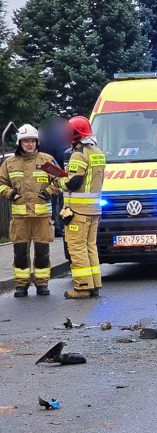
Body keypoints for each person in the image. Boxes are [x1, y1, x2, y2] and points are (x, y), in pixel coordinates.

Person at [0, 124, 62, 297]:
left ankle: (42, 284)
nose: (30, 144)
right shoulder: (9, 163)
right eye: (26, 141)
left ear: (37, 142)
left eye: (33, 141)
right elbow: (0, 183)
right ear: (20, 143)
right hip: (20, 218)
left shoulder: (46, 160)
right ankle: (21, 285)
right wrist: (10, 193)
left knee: (42, 252)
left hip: (42, 217)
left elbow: (60, 181)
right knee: (20, 253)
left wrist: (49, 192)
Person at [53, 116, 105, 299]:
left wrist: (58, 180)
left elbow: (73, 183)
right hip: (93, 210)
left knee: (77, 248)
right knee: (90, 246)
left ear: (75, 134)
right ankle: (94, 284)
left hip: (78, 211)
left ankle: (82, 287)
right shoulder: (97, 152)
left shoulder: (78, 154)